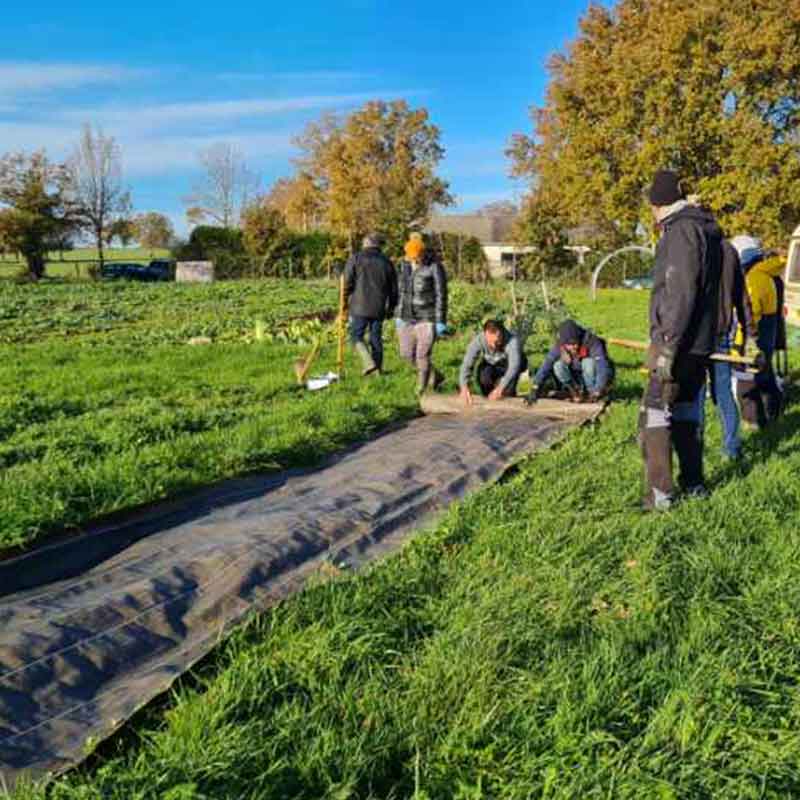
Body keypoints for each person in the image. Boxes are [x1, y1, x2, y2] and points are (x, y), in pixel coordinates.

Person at [640, 169, 722, 511]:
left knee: (654, 414)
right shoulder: (705, 228)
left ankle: (660, 496)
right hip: (700, 341)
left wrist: (668, 345)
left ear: (658, 203)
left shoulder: (681, 231)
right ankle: (694, 484)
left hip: (677, 343)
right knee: (687, 411)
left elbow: (680, 290)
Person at [697, 238, 756, 460]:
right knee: (723, 393)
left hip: (697, 336)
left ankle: (695, 450)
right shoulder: (729, 250)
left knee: (697, 394)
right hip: (721, 332)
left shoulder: (694, 245)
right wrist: (751, 333)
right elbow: (742, 298)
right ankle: (731, 448)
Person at [731, 236, 784, 426]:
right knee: (765, 374)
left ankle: (753, 421)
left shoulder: (754, 278)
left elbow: (749, 316)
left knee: (746, 381)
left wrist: (738, 344)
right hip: (767, 334)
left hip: (754, 336)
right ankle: (774, 413)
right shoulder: (766, 273)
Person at [396, 234, 448, 394]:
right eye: (409, 256)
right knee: (406, 354)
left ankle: (421, 388)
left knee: (422, 355)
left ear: (422, 254)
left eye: (415, 257)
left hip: (427, 316)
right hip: (406, 316)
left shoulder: (434, 267)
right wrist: (398, 313)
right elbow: (402, 291)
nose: (412, 260)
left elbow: (441, 294)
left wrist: (440, 320)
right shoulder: (404, 265)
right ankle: (435, 375)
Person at [344, 233, 399, 376]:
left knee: (356, 336)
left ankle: (368, 363)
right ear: (378, 245)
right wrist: (391, 307)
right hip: (379, 306)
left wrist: (344, 301)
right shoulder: (387, 262)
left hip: (359, 306)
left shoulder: (356, 258)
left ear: (366, 244)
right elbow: (394, 288)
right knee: (376, 338)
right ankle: (377, 369)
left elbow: (347, 282)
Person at [529, 319, 614, 403]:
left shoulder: (592, 340)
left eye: (574, 344)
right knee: (558, 366)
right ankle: (574, 390)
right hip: (576, 377)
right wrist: (535, 387)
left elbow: (602, 366)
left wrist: (598, 388)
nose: (572, 347)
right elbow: (546, 364)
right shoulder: (560, 345)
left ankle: (591, 393)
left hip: (594, 378)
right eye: (569, 345)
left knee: (588, 363)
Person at [459, 319, 527, 405]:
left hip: (508, 365)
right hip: (491, 363)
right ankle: (490, 396)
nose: (493, 345)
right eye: (489, 342)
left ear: (501, 334)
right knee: (484, 377)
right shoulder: (479, 339)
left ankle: (506, 393)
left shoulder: (512, 341)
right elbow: (467, 363)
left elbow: (514, 366)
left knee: (507, 393)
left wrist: (500, 388)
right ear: (485, 334)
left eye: (496, 342)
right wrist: (464, 386)